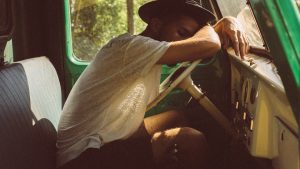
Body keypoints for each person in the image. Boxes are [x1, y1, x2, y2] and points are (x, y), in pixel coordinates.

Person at [57, 0, 249, 169]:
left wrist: (221, 24)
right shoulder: (130, 47)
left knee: (175, 118)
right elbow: (209, 45)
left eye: (189, 37)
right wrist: (217, 24)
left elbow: (203, 44)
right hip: (83, 159)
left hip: (105, 140)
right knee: (191, 140)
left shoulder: (149, 55)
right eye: (182, 33)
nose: (186, 43)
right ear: (156, 25)